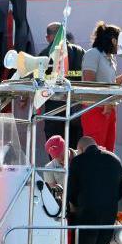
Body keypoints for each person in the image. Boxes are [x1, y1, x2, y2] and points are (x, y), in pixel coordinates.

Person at [66, 136, 122, 244]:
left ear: (80, 149)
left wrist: (78, 205)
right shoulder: (115, 160)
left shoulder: (77, 162)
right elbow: (121, 190)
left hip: (87, 213)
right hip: (109, 214)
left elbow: (70, 192)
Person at [81, 21, 122, 151]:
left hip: (109, 109)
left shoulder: (111, 58)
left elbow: (111, 83)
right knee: (95, 152)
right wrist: (107, 100)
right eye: (120, 41)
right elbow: (89, 83)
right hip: (95, 110)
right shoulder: (93, 54)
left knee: (108, 152)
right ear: (113, 40)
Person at [39, 21, 85, 149]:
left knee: (55, 150)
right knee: (75, 150)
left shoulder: (44, 55)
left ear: (48, 37)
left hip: (54, 111)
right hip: (77, 110)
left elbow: (37, 83)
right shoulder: (80, 52)